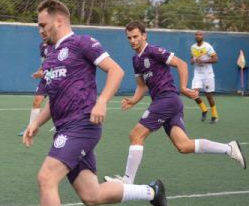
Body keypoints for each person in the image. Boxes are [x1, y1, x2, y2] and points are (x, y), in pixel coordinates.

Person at [15, 0, 171, 206]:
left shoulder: (82, 43)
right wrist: (36, 123)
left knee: (46, 176)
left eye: (42, 24)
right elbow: (56, 98)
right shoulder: (51, 55)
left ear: (59, 21)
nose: (39, 29)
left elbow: (116, 70)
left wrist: (101, 101)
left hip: (83, 126)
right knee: (91, 195)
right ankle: (151, 192)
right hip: (65, 127)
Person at [104, 22, 245, 185]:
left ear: (144, 35)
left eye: (135, 36)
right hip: (168, 103)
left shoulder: (154, 51)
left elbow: (181, 64)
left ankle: (128, 180)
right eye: (129, 38)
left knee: (136, 135)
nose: (132, 40)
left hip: (167, 99)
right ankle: (229, 148)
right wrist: (133, 101)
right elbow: (142, 85)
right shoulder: (136, 60)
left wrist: (184, 87)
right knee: (183, 146)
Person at [18, 41, 50, 136]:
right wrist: (39, 71)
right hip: (45, 77)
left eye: (44, 27)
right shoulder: (42, 45)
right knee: (36, 101)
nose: (42, 31)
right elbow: (45, 62)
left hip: (57, 76)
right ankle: (31, 128)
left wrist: (45, 73)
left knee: (59, 104)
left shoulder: (58, 44)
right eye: (40, 28)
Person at [190, 30, 219, 123]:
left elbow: (215, 59)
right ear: (195, 36)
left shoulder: (208, 47)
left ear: (203, 36)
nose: (198, 36)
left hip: (208, 74)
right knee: (193, 94)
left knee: (209, 96)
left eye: (200, 34)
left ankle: (214, 115)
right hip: (197, 74)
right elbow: (193, 58)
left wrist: (203, 61)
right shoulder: (192, 47)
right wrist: (192, 61)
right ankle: (204, 109)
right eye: (196, 34)